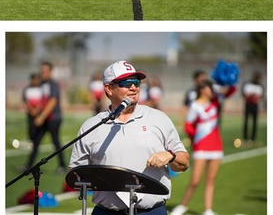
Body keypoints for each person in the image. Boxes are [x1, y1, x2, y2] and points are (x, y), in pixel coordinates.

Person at [69, 60, 190, 215]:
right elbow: (76, 174)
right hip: (106, 212)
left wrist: (170, 156)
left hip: (151, 212)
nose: (134, 87)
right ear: (109, 89)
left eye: (136, 82)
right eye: (126, 83)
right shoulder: (91, 125)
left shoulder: (158, 118)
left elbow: (184, 162)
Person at [172, 79, 234, 215]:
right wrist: (197, 138)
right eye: (209, 89)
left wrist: (229, 80)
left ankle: (208, 210)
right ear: (203, 90)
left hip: (216, 147)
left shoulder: (215, 102)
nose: (212, 91)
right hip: (201, 147)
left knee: (211, 180)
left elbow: (230, 91)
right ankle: (183, 206)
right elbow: (188, 126)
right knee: (195, 180)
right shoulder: (194, 106)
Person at [26, 62, 67, 172]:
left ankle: (62, 166)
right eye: (41, 71)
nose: (42, 73)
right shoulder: (40, 84)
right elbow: (41, 100)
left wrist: (42, 116)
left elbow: (52, 101)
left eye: (44, 71)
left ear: (50, 72)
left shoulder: (53, 84)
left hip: (53, 118)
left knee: (56, 142)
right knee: (36, 141)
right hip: (44, 118)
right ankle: (29, 166)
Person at [242, 71, 263, 143]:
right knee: (246, 121)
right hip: (248, 104)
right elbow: (244, 93)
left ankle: (253, 139)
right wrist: (250, 96)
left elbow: (261, 96)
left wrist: (256, 97)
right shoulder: (248, 84)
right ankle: (245, 138)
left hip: (255, 105)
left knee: (255, 122)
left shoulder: (260, 86)